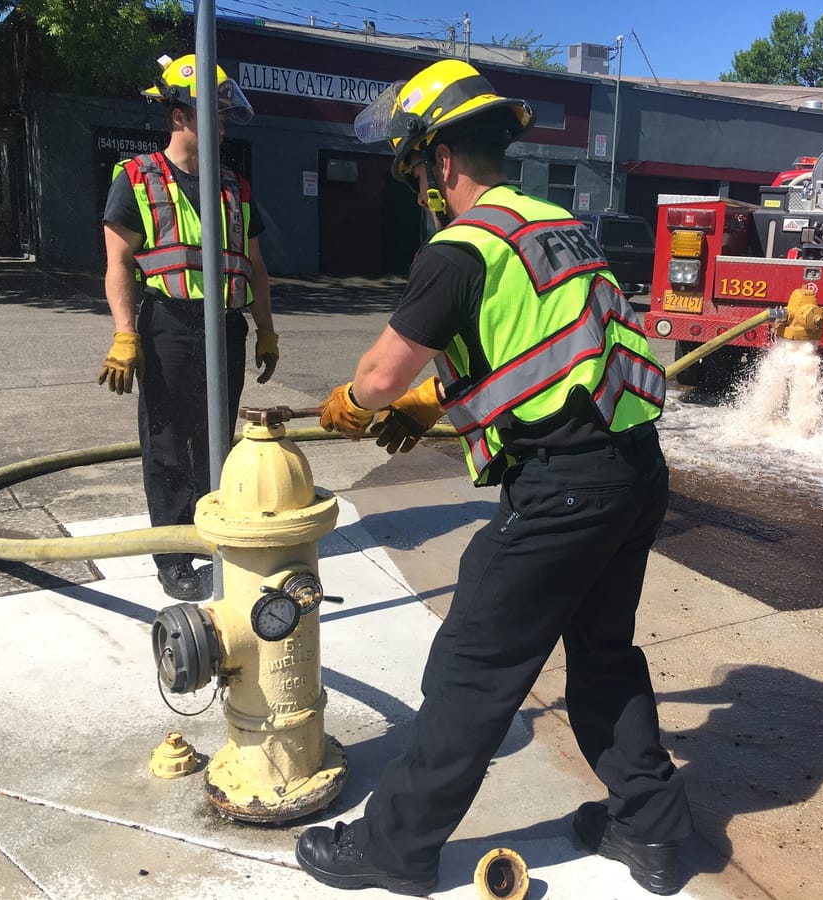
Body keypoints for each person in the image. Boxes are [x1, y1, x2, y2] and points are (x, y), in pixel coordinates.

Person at [295, 59, 691, 896]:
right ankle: (650, 833)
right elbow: (546, 349)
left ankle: (394, 849)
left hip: (566, 487)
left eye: (413, 170)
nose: (417, 188)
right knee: (603, 655)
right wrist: (437, 404)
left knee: (473, 666)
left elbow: (375, 377)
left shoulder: (460, 247)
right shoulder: (557, 224)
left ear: (439, 162)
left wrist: (366, 399)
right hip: (633, 470)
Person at [98, 53, 278, 601]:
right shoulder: (136, 179)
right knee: (169, 444)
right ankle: (175, 557)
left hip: (224, 328)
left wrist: (266, 329)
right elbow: (118, 266)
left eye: (225, 116)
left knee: (216, 441)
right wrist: (125, 334)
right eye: (215, 115)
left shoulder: (233, 186)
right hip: (166, 328)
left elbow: (256, 267)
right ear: (180, 116)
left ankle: (212, 539)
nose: (223, 126)